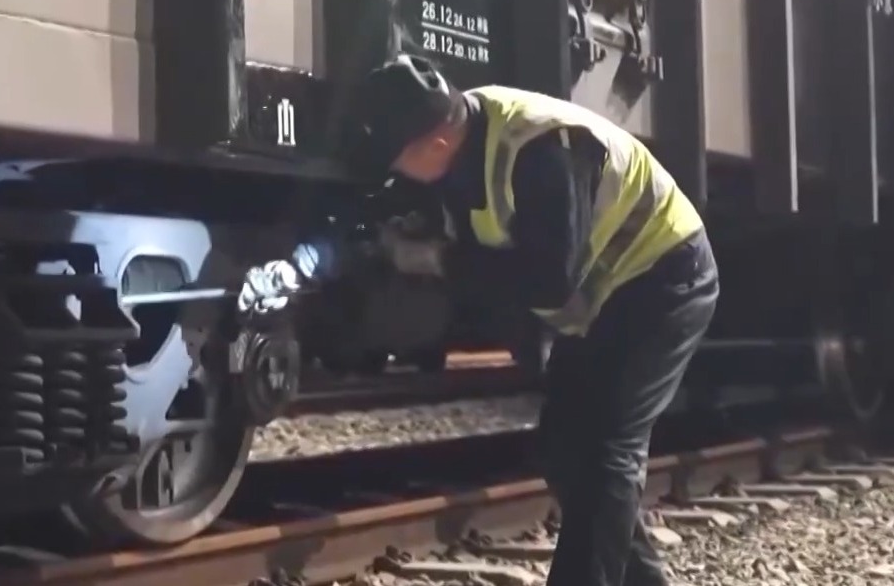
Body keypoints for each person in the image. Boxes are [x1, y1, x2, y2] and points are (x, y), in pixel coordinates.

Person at [238, 54, 719, 586]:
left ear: (437, 143)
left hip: (665, 275)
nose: (396, 172)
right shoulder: (454, 143)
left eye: (400, 159)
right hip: (609, 295)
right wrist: (312, 260)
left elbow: (549, 281)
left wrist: (437, 259)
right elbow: (379, 215)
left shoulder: (540, 153)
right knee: (563, 446)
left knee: (606, 447)